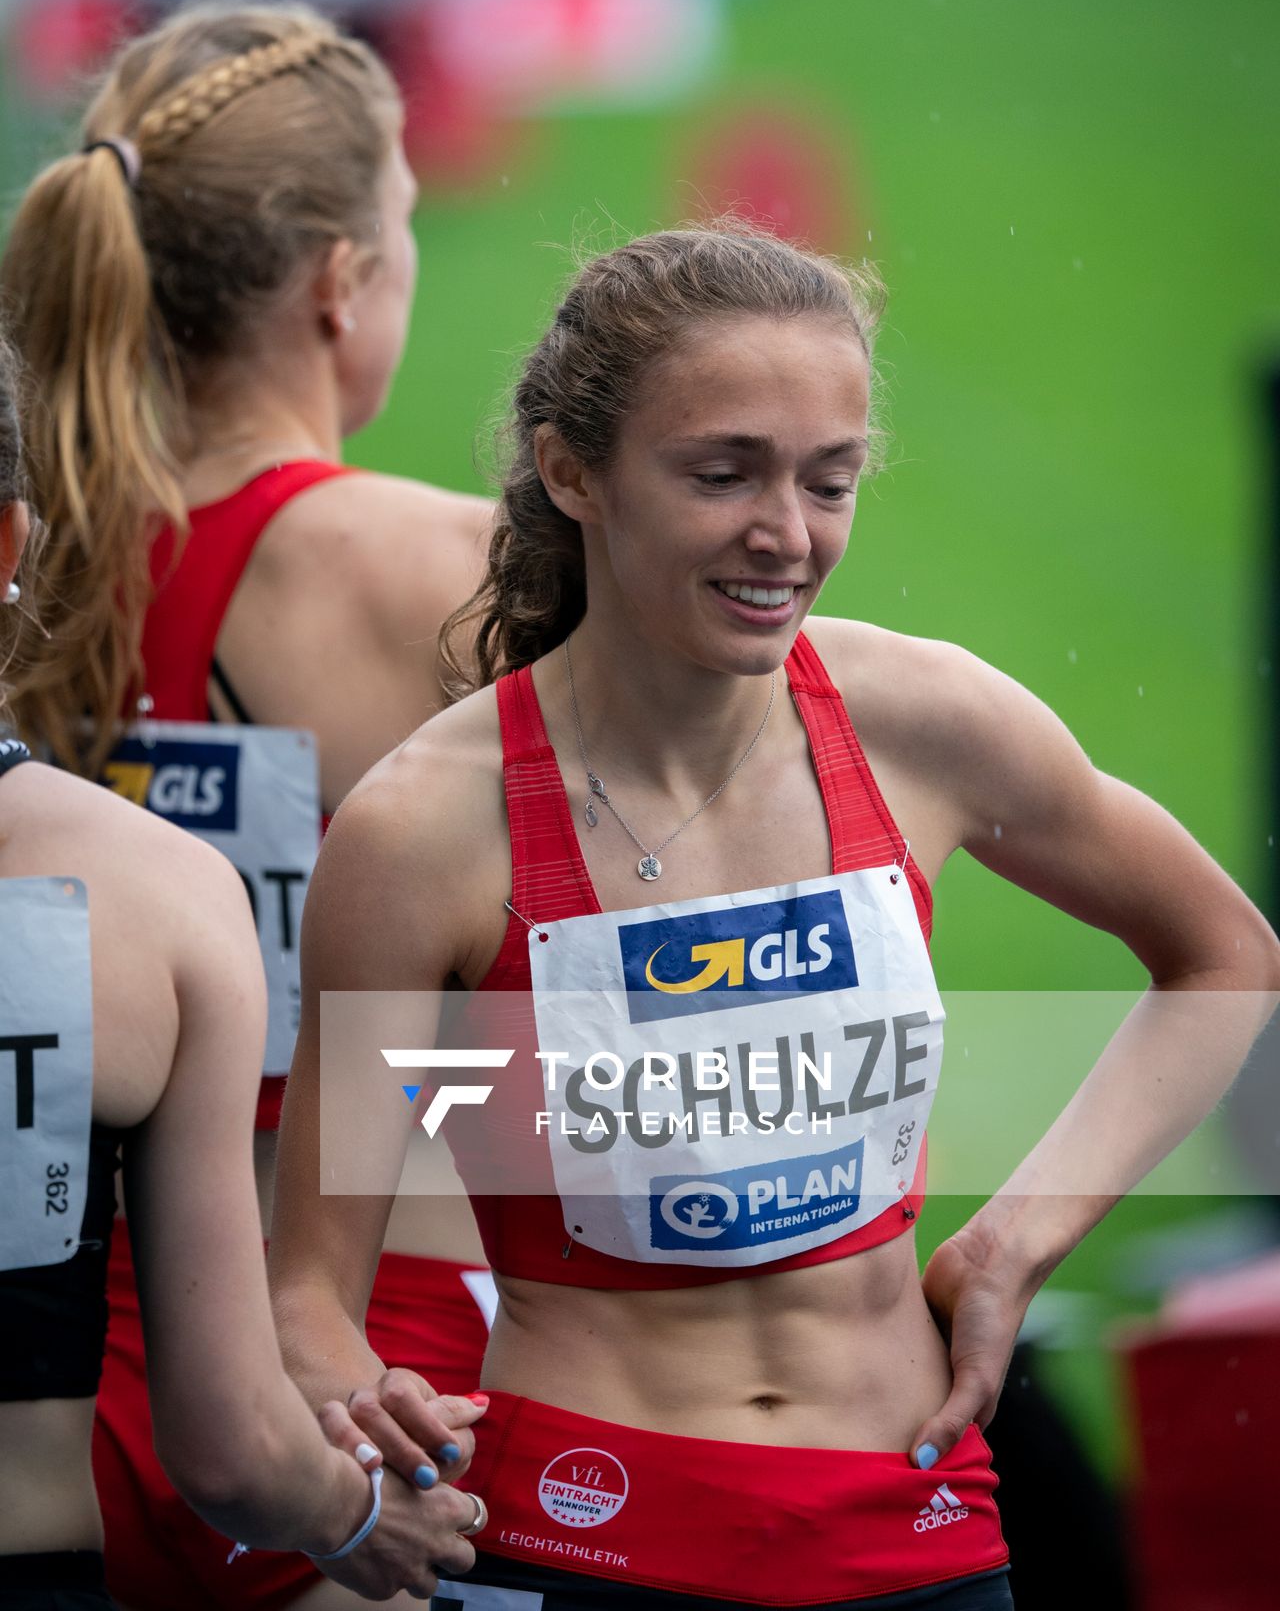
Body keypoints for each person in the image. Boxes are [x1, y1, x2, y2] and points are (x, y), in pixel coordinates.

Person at [268, 220, 1276, 1610]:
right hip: (589, 1530)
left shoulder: (926, 723)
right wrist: (357, 1443)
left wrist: (1015, 1239)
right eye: (722, 473)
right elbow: (307, 1293)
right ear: (575, 474)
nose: (785, 535)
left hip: (907, 1519)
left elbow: (1225, 954)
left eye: (830, 480)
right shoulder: (419, 833)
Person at [0, 0, 493, 1611]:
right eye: (408, 221)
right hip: (375, 1388)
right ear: (345, 282)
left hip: (66, 1379)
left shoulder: (37, 549)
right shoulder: (454, 576)